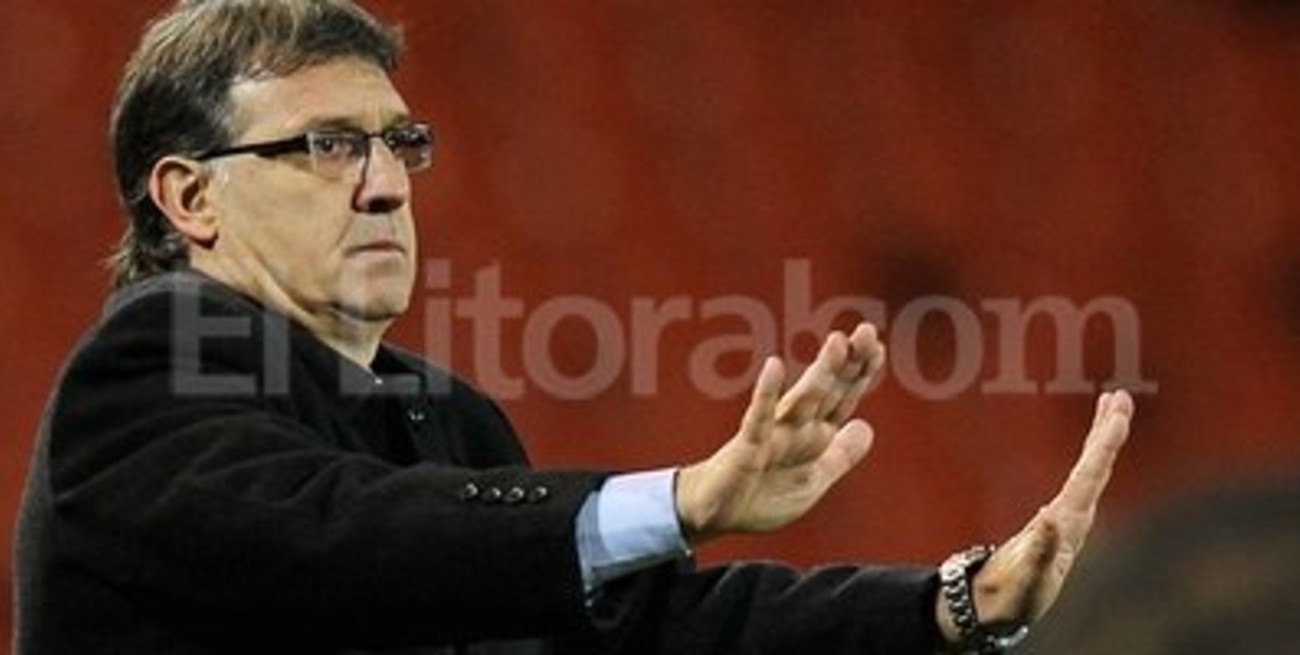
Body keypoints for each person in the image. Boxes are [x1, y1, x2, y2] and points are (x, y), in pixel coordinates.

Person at [12, 1, 1135, 654]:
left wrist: (953, 604)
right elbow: (344, 536)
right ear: (189, 197)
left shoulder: (446, 417)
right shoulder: (144, 372)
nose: (386, 184)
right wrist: (680, 500)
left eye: (400, 143)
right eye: (327, 145)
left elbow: (650, 633)